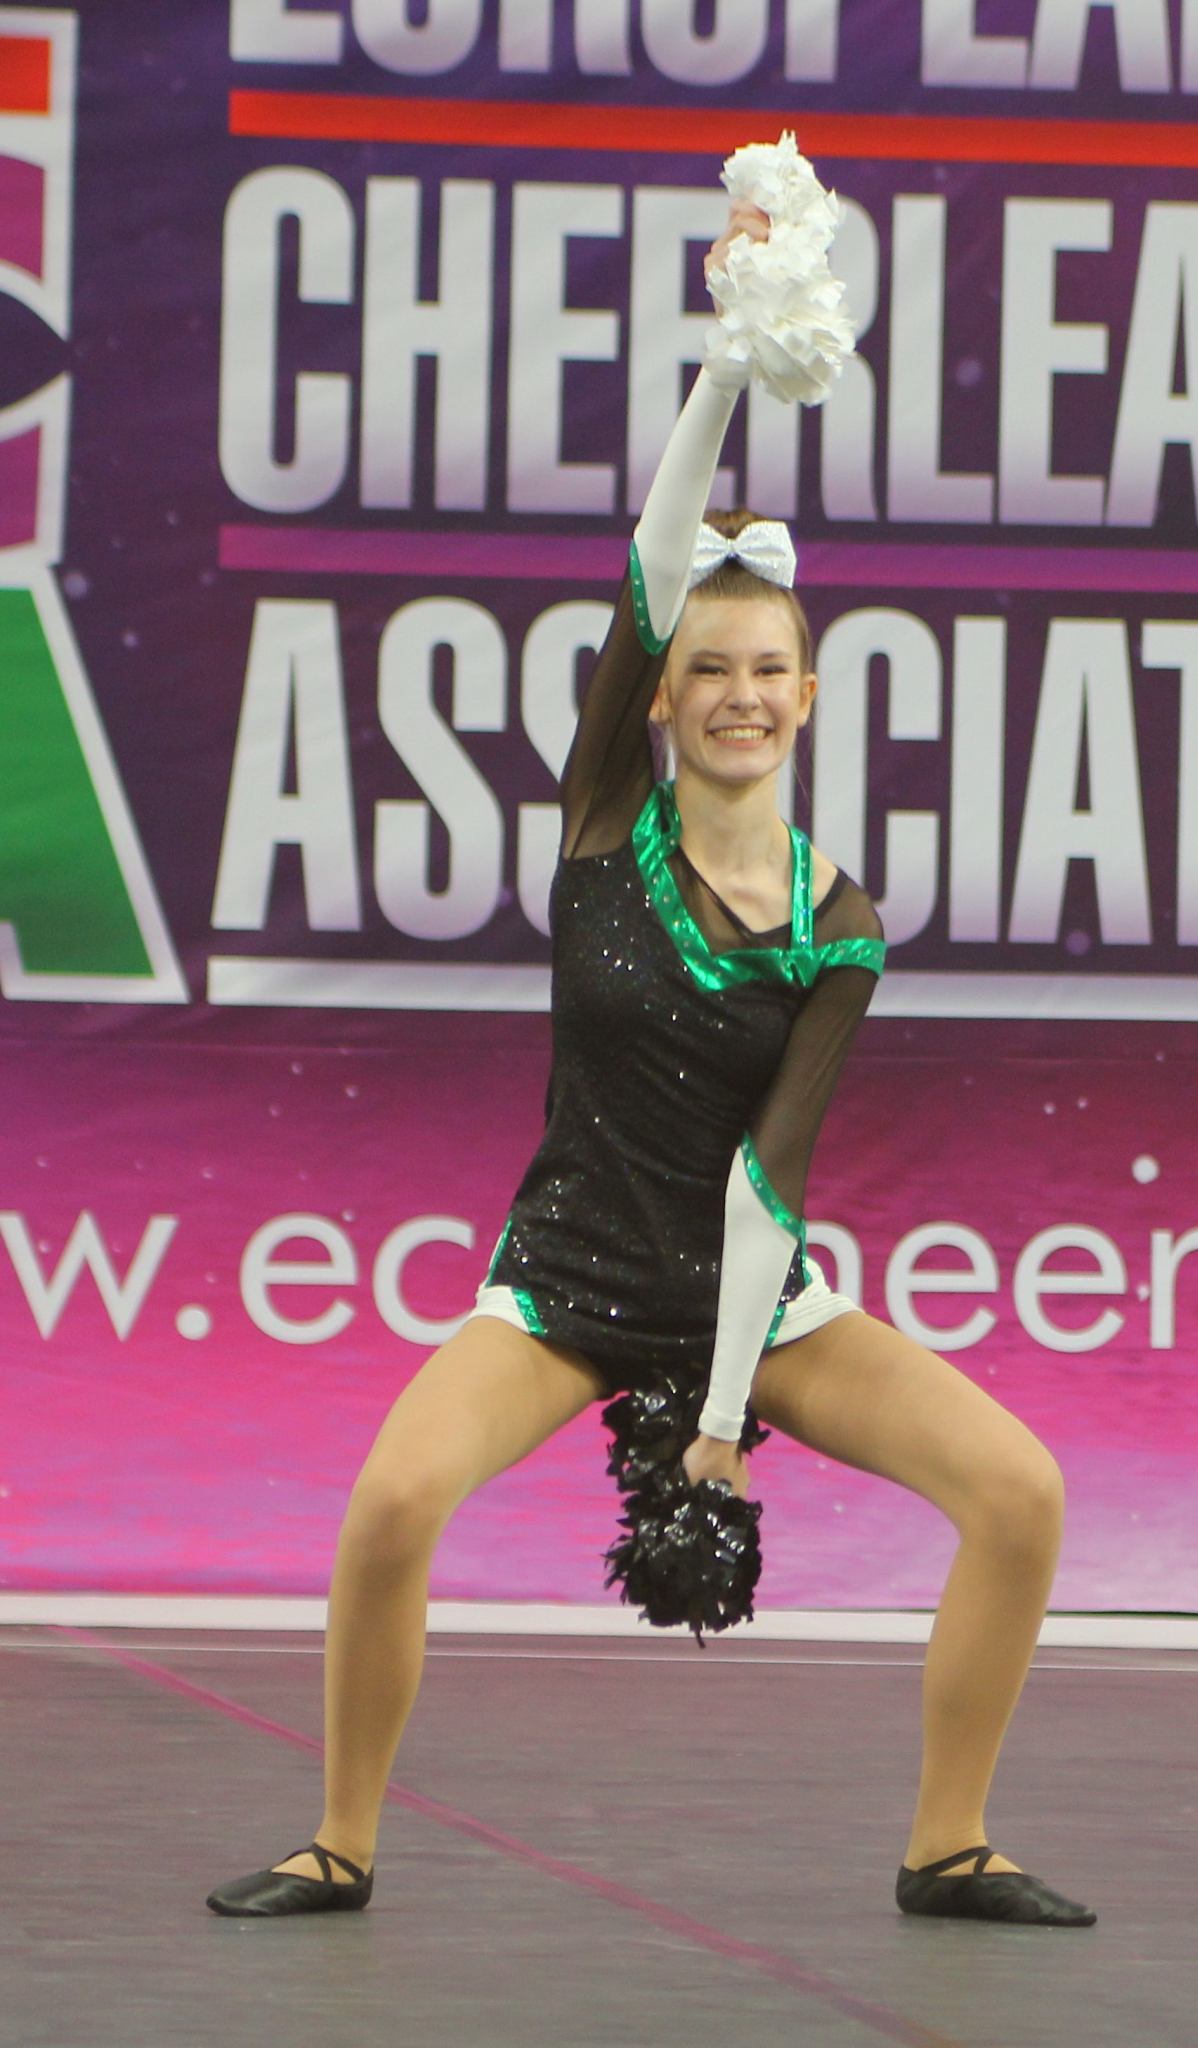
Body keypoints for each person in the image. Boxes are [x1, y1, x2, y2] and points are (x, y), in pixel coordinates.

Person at [207, 192, 1095, 1931]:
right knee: (392, 1501)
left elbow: (773, 1170)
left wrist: (718, 1421)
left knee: (1019, 1492)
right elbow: (650, 557)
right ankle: (340, 1839)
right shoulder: (605, 825)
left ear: (808, 696)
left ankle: (948, 1842)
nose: (739, 694)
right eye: (708, 670)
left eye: (769, 671)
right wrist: (728, 358)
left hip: (756, 1301)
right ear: (665, 699)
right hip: (570, 1278)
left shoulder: (840, 923)